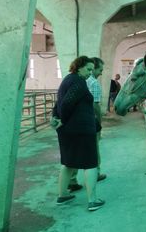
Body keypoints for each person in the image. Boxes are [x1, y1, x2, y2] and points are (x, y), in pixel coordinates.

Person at [52, 56, 105, 211]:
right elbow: (66, 103)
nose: (90, 72)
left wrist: (56, 117)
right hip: (81, 131)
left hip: (69, 131)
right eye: (88, 69)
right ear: (79, 67)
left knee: (68, 163)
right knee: (90, 164)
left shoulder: (67, 80)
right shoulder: (78, 81)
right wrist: (62, 118)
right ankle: (92, 201)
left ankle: (62, 196)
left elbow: (59, 102)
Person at [86, 57, 107, 181]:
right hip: (91, 121)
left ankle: (72, 179)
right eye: (100, 69)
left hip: (80, 120)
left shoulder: (82, 81)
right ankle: (96, 172)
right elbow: (95, 106)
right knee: (94, 148)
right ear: (93, 68)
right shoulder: (94, 83)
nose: (101, 72)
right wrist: (99, 124)